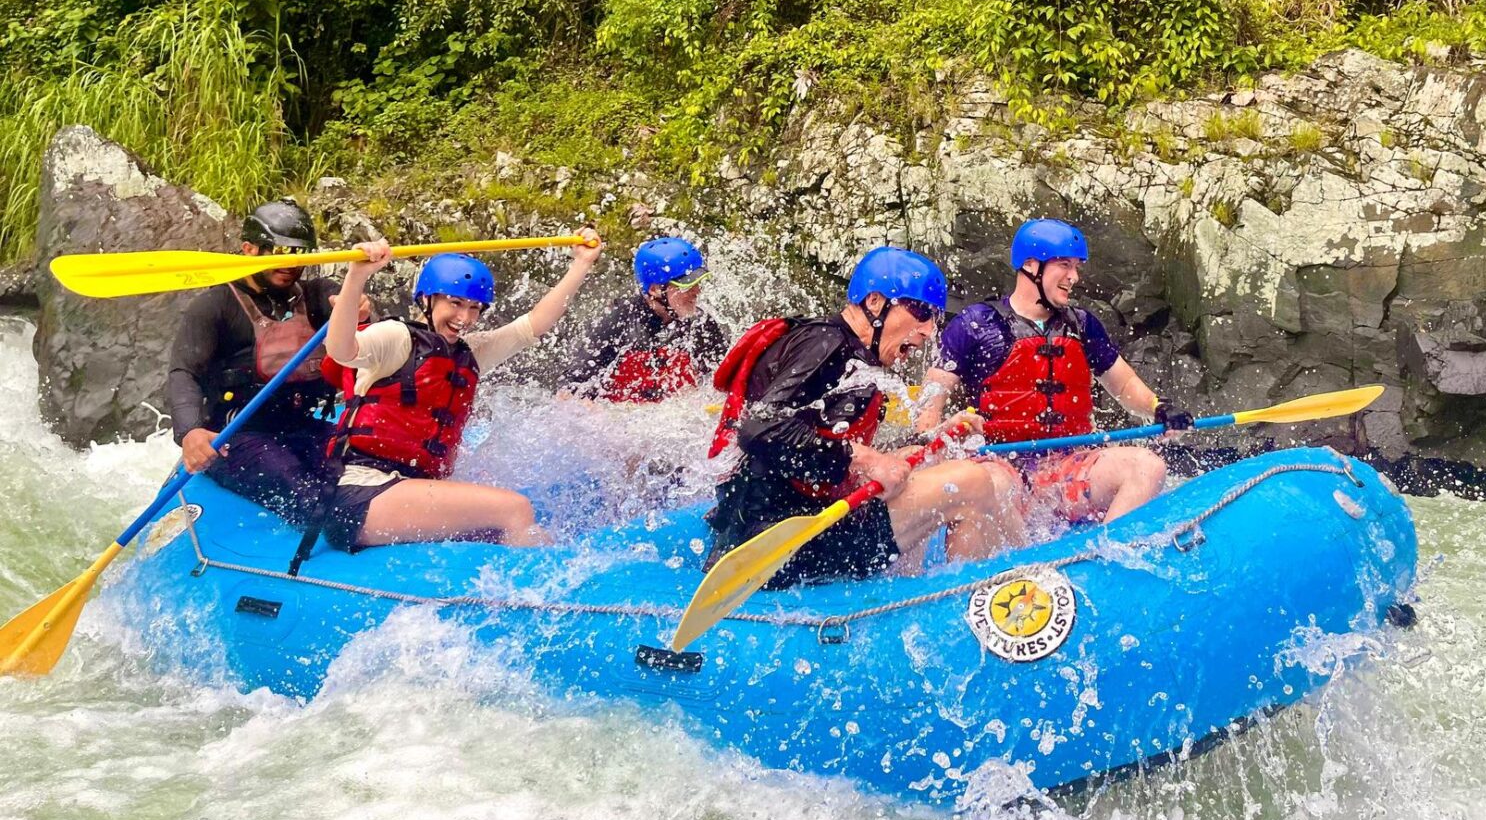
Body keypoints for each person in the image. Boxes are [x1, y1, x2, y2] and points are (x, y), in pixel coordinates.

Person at [704, 247, 1023, 587]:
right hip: (774, 542)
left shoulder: (859, 361)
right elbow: (759, 427)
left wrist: (934, 438)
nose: (929, 330)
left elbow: (832, 450)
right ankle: (991, 591)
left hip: (816, 525)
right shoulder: (824, 343)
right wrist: (865, 460)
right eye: (919, 311)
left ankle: (938, 593)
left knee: (984, 478)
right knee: (969, 483)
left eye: (933, 318)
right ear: (874, 302)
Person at [315, 229, 603, 551]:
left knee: (501, 532)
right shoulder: (396, 337)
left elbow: (533, 325)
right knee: (515, 510)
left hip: (405, 490)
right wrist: (356, 277)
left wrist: (581, 265)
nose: (464, 318)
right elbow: (340, 350)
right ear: (427, 299)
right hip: (360, 493)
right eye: (454, 303)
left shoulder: (470, 352)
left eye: (474, 308)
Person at [915, 218, 1188, 523]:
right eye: (1064, 265)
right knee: (996, 486)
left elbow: (1123, 386)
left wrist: (1157, 406)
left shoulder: (1083, 326)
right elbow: (931, 402)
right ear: (1031, 266)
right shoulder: (975, 324)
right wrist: (933, 437)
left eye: (1076, 267)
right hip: (999, 466)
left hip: (1068, 466)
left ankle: (1103, 558)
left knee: (1148, 466)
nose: (1074, 277)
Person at [167, 199, 366, 524]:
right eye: (278, 251)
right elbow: (183, 372)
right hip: (236, 435)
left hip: (302, 424)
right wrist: (190, 432)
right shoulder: (216, 306)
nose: (289, 264)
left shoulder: (316, 295)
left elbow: (346, 307)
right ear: (249, 249)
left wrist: (355, 307)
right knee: (307, 494)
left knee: (369, 465)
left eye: (298, 253)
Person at [559, 236, 727, 402]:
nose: (697, 292)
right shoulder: (616, 324)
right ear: (654, 290)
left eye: (698, 283)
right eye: (687, 285)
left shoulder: (701, 324)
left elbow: (723, 381)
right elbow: (567, 393)